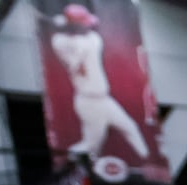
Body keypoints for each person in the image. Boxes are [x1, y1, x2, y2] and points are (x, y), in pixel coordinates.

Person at [47, 2, 151, 161]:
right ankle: (72, 166)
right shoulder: (60, 41)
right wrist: (67, 26)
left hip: (104, 98)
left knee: (130, 127)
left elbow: (82, 40)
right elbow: (74, 60)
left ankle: (148, 159)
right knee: (93, 146)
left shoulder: (93, 39)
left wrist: (65, 25)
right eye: (82, 24)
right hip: (88, 101)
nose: (87, 27)